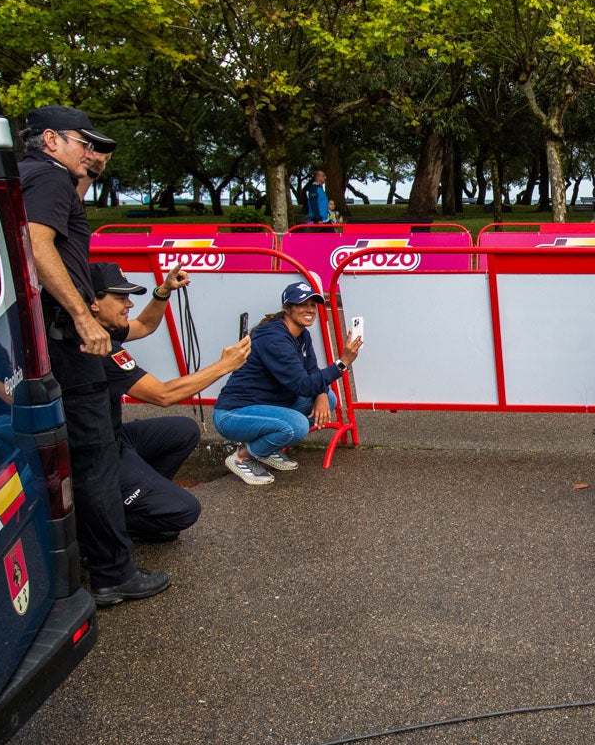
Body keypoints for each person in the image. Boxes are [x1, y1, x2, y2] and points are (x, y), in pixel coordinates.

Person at [20, 104, 171, 606]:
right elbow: (39, 246)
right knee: (94, 458)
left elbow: (62, 228)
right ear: (49, 140)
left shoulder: (37, 178)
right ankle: (112, 573)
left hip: (53, 339)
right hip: (70, 340)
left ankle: (92, 557)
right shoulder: (48, 180)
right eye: (83, 142)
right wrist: (84, 318)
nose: (92, 153)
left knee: (80, 459)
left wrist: (89, 164)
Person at [88, 261, 252, 541]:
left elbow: (144, 325)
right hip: (99, 452)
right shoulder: (96, 346)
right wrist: (224, 366)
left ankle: (144, 498)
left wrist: (163, 291)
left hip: (115, 435)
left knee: (183, 431)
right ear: (93, 303)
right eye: (120, 298)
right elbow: (163, 394)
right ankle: (99, 525)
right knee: (183, 512)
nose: (128, 304)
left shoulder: (100, 327)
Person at [214, 281, 362, 485]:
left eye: (313, 304)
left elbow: (312, 373)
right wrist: (342, 362)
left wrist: (320, 394)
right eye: (302, 304)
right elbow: (303, 385)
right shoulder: (274, 339)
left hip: (266, 403)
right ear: (287, 309)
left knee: (328, 398)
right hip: (234, 414)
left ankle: (267, 448)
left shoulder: (302, 335)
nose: (310, 309)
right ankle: (243, 457)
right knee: (296, 426)